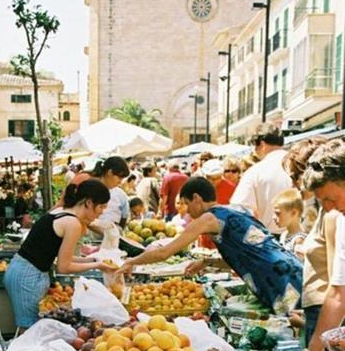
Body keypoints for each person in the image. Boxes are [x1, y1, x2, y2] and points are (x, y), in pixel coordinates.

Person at [120, 176, 303, 314]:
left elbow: (164, 253)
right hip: (289, 269)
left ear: (197, 198)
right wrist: (207, 262)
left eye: (186, 203)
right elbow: (245, 254)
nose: (187, 210)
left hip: (278, 278)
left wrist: (131, 262)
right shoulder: (233, 210)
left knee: (296, 328)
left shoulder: (209, 218)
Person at [4, 179, 118, 328]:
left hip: (21, 270)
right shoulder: (73, 223)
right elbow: (63, 267)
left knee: (32, 326)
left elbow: (63, 257)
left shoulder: (61, 212)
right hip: (29, 276)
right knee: (30, 329)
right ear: (89, 203)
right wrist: (96, 264)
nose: (102, 212)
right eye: (101, 206)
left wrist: (93, 259)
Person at [286, 139, 345, 351]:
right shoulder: (341, 219)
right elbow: (337, 293)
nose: (330, 208)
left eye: (331, 198)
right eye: (323, 202)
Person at [230, 123, 292, 232]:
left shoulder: (255, 171)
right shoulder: (299, 163)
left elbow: (239, 209)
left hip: (271, 240)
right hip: (304, 238)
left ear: (262, 144)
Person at [272, 189, 306, 256]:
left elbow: (298, 265)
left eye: (278, 213)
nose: (273, 217)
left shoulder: (299, 240)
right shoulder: (284, 234)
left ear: (294, 213)